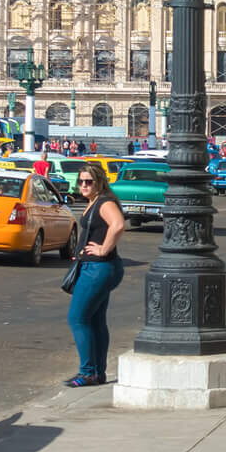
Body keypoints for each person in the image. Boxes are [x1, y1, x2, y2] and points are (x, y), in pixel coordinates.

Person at [65, 162, 127, 387]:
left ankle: (88, 371)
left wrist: (103, 249)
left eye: (88, 182)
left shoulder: (104, 202)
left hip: (98, 268)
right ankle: (97, 372)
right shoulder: (94, 202)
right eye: (80, 181)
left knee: (78, 318)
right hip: (97, 267)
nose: (83, 185)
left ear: (99, 182)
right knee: (96, 319)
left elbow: (118, 225)